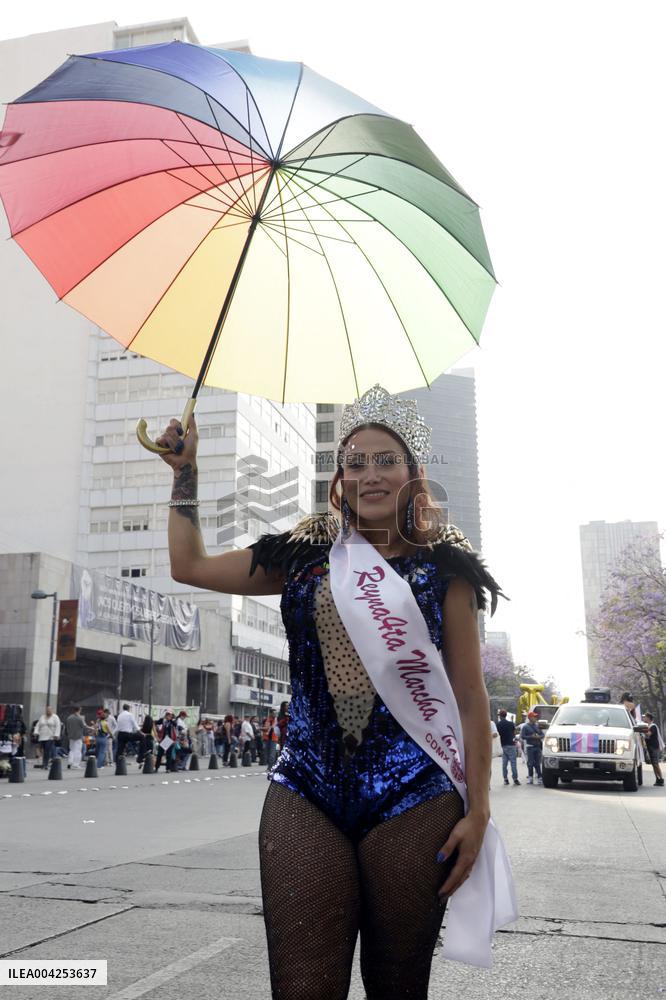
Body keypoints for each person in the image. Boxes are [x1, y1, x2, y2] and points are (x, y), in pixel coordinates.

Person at [156, 384, 513, 995]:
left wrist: (478, 810)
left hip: (414, 795)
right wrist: (185, 473)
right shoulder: (302, 555)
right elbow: (190, 566)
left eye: (385, 461)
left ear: (412, 474)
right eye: (354, 463)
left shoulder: (446, 569)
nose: (369, 474)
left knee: (397, 984)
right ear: (339, 480)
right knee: (301, 987)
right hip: (305, 788)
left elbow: (470, 697)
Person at [496, 709, 520, 786]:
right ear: (506, 715)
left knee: (504, 764)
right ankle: (515, 779)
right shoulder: (511, 723)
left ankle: (505, 779)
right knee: (513, 763)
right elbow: (514, 733)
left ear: (500, 716)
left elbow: (497, 735)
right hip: (511, 745)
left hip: (503, 746)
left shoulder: (498, 725)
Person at [520, 712, 543, 784]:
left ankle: (540, 777)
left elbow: (542, 734)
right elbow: (522, 736)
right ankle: (530, 778)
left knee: (537, 763)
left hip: (537, 747)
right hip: (530, 747)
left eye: (536, 717)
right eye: (534, 717)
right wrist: (531, 737)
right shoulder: (525, 727)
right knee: (530, 763)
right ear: (530, 718)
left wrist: (539, 737)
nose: (535, 718)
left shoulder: (537, 726)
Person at [643, 713, 664, 786]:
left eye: (645, 717)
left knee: (655, 764)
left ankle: (661, 779)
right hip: (651, 747)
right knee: (653, 764)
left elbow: (649, 734)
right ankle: (657, 779)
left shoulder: (653, 726)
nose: (644, 718)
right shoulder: (649, 726)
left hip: (654, 747)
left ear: (648, 718)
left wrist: (642, 729)